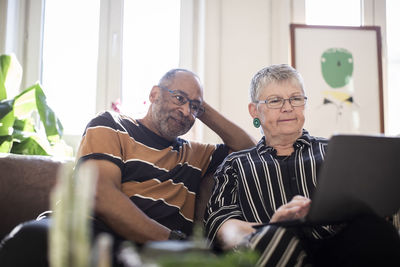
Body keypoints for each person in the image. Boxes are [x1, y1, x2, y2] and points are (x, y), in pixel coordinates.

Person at [0, 69, 256, 266]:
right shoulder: (111, 124)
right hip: (88, 232)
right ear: (154, 94)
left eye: (193, 107)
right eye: (178, 98)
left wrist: (200, 105)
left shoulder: (196, 153)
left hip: (148, 255)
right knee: (30, 237)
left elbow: (248, 150)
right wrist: (176, 242)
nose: (186, 111)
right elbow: (101, 195)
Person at [204, 64, 400, 267]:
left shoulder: (335, 151)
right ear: (254, 110)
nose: (288, 107)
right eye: (275, 101)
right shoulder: (235, 164)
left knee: (376, 229)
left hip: (338, 251)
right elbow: (224, 228)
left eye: (296, 99)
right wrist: (272, 226)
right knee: (278, 238)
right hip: (273, 249)